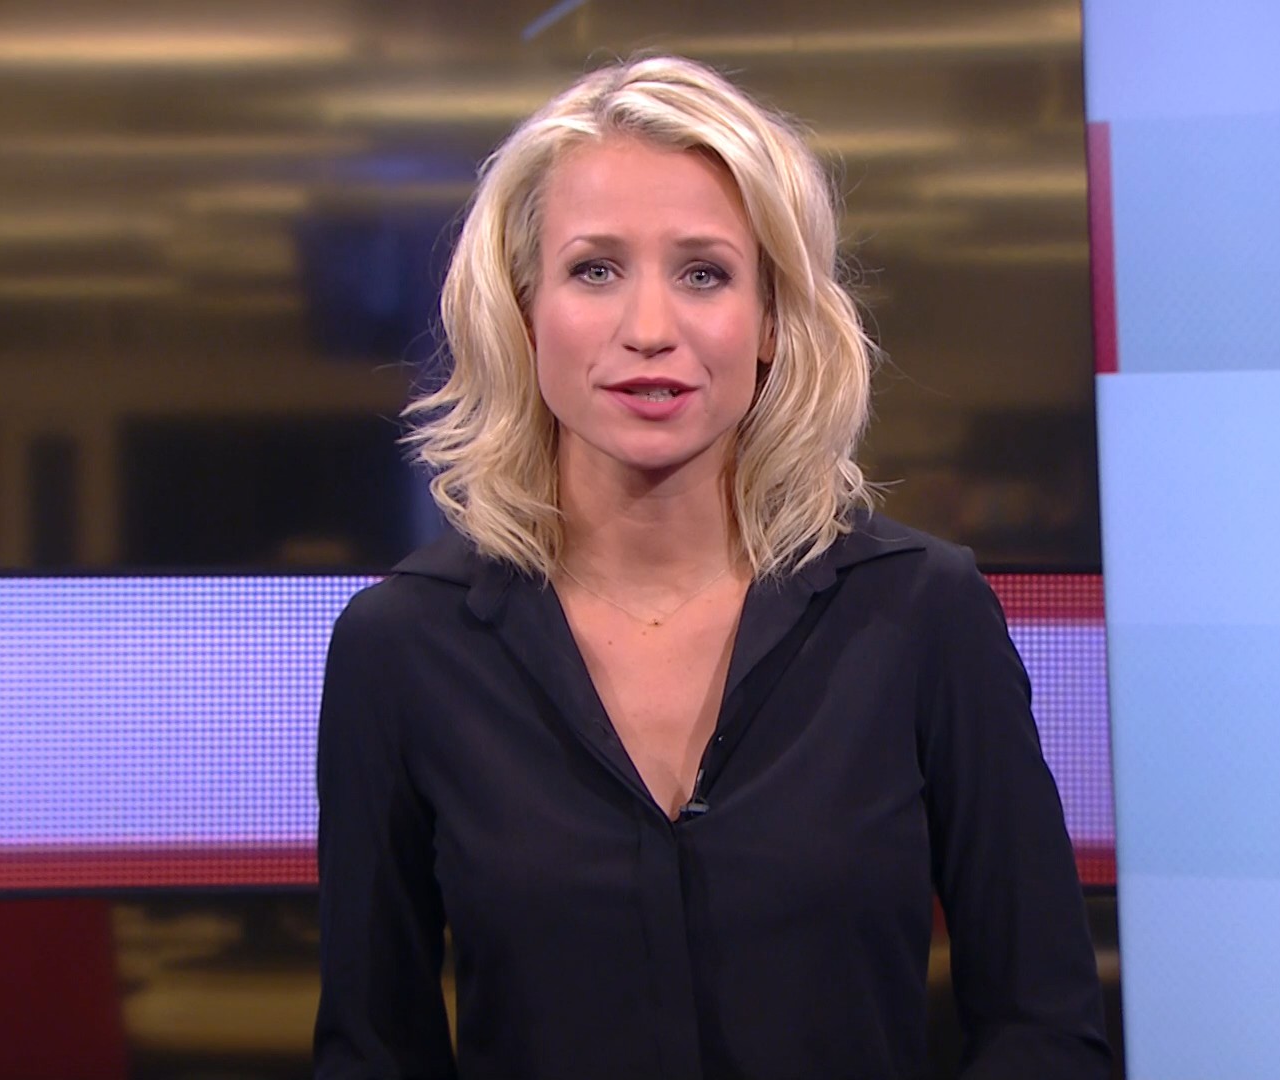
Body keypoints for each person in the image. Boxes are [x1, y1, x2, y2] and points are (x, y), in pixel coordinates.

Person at [312, 54, 1111, 1080]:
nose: (650, 331)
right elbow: (373, 1052)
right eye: (595, 269)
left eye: (704, 273)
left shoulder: (923, 615)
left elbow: (1043, 1027)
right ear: (522, 309)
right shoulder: (402, 648)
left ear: (772, 319)